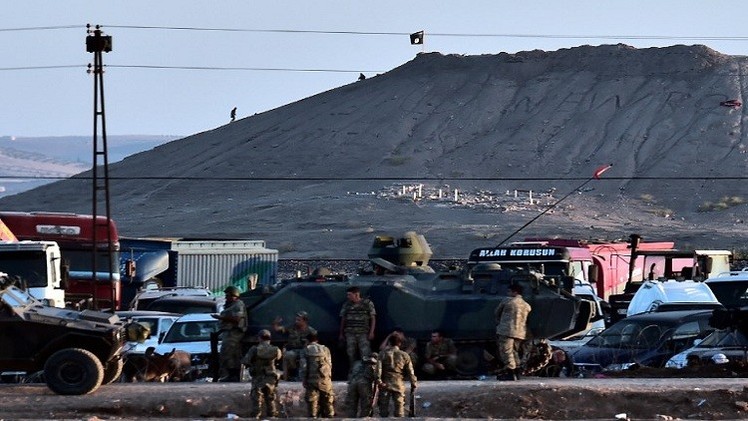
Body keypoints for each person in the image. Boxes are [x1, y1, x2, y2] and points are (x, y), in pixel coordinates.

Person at [494, 283, 532, 381]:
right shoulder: (526, 305)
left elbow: (497, 313)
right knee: (514, 352)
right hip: (520, 332)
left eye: (509, 291)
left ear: (515, 292)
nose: (508, 293)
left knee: (506, 351)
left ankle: (510, 372)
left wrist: (499, 323)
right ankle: (517, 371)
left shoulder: (507, 301)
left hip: (506, 330)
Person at [242, 329, 282, 418]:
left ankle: (256, 416)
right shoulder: (276, 349)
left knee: (256, 399)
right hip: (271, 377)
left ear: (259, 338)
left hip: (258, 376)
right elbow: (279, 358)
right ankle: (272, 416)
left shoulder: (254, 349)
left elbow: (246, 361)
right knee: (270, 398)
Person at [211, 285, 247, 382]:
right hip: (229, 332)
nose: (226, 297)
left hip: (234, 333)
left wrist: (221, 318)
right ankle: (229, 374)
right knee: (227, 354)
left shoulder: (238, 304)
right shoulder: (231, 305)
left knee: (229, 354)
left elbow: (237, 319)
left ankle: (232, 375)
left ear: (234, 296)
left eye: (228, 295)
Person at [378, 334, 417, 417]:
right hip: (398, 383)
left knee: (383, 408)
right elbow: (410, 372)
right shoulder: (404, 355)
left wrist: (379, 381)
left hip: (385, 383)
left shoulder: (382, 354)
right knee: (399, 407)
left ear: (389, 343)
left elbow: (378, 370)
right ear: (399, 343)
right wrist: (413, 383)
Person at [272, 310, 317, 380]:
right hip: (293, 350)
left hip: (304, 351)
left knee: (304, 360)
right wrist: (276, 322)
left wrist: (308, 345)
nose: (296, 321)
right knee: (288, 355)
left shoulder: (311, 331)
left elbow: (315, 342)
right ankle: (288, 377)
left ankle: (302, 378)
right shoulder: (291, 327)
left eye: (299, 320)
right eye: (296, 319)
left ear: (305, 321)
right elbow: (277, 329)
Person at [339, 286, 376, 370]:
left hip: (363, 333)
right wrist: (341, 333)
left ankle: (366, 372)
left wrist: (371, 332)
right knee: (351, 354)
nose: (348, 297)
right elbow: (343, 319)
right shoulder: (347, 304)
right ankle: (353, 372)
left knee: (365, 354)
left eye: (350, 295)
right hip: (350, 333)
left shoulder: (367, 303)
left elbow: (373, 318)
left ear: (356, 294)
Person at [299, 332, 335, 418]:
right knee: (328, 403)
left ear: (307, 341)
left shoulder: (305, 350)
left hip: (311, 380)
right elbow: (329, 364)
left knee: (312, 405)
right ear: (317, 340)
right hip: (325, 380)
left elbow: (304, 366)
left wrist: (304, 379)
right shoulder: (325, 349)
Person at [347, 353, 381, 417]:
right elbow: (377, 376)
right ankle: (364, 418)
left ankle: (351, 418)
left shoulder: (357, 363)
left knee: (352, 403)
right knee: (366, 404)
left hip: (352, 383)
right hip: (364, 383)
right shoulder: (374, 364)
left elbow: (350, 373)